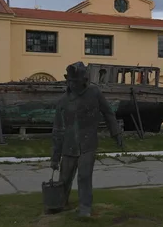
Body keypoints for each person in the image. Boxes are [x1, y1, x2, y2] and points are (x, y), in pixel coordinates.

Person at [50, 62, 123, 217]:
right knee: (64, 177)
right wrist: (55, 157)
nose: (72, 84)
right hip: (68, 146)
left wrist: (116, 133)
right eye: (70, 81)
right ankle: (60, 203)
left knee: (84, 176)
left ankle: (85, 207)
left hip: (88, 143)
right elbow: (57, 130)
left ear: (84, 80)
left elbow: (108, 113)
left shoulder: (94, 93)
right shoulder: (63, 101)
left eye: (75, 81)